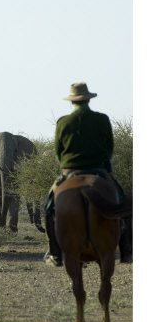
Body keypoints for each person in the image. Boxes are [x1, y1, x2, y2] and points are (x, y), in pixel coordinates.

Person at [44, 82, 123, 266]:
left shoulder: (63, 122)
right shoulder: (102, 119)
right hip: (99, 170)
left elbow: (58, 151)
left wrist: (65, 167)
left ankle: (55, 253)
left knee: (48, 208)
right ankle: (127, 248)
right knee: (121, 198)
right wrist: (106, 167)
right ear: (88, 99)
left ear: (72, 102)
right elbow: (109, 147)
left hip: (71, 172)